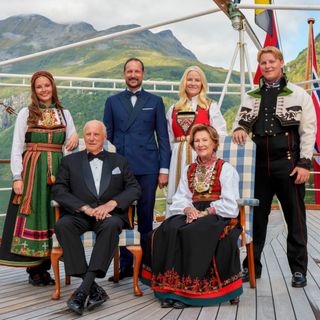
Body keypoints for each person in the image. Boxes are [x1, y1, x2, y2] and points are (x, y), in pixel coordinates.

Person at [232, 46, 316, 288]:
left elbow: (308, 131)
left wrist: (304, 164)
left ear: (281, 63)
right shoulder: (250, 95)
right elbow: (240, 122)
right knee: (256, 219)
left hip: (288, 164)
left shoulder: (299, 95)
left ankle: (299, 270)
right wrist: (239, 128)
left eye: (271, 61)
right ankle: (251, 267)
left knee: (295, 219)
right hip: (258, 166)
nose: (267, 66)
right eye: (264, 62)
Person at [141, 124, 243, 308]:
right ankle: (170, 288)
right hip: (193, 211)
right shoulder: (189, 168)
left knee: (192, 232)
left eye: (205, 140)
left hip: (217, 213)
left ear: (214, 143)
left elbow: (230, 203)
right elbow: (181, 196)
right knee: (168, 229)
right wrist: (189, 210)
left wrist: (206, 212)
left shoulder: (226, 169)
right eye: (197, 141)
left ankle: (188, 293)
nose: (201, 144)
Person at [52, 120, 141, 315]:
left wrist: (112, 204)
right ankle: (92, 288)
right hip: (81, 214)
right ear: (84, 137)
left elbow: (134, 188)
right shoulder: (69, 161)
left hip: (110, 215)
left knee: (111, 226)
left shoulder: (119, 161)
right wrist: (83, 208)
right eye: (88, 134)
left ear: (104, 137)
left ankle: (82, 291)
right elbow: (58, 190)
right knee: (62, 225)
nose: (91, 138)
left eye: (96, 134)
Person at [0, 70, 78, 286]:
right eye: (39, 86)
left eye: (47, 85)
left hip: (59, 171)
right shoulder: (26, 113)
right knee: (35, 214)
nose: (44, 89)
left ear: (53, 87)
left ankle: (51, 263)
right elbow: (17, 147)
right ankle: (35, 270)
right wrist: (17, 177)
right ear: (34, 90)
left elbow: (71, 146)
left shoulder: (65, 113)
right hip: (33, 170)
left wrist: (75, 136)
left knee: (54, 215)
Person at [103, 58, 171, 280]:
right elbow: (107, 137)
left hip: (148, 167)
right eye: (129, 71)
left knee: (145, 214)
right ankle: (124, 264)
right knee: (121, 215)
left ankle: (146, 266)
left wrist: (164, 169)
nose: (133, 75)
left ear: (143, 74)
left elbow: (163, 138)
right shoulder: (112, 101)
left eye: (137, 71)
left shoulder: (155, 101)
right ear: (124, 74)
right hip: (120, 167)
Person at [166, 66, 227, 214]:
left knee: (200, 192)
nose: (193, 83)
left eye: (197, 80)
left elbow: (220, 134)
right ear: (184, 82)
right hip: (178, 156)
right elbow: (169, 139)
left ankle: (200, 221)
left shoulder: (210, 106)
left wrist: (211, 156)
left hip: (201, 155)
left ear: (202, 84)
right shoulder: (173, 108)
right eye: (189, 79)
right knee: (178, 193)